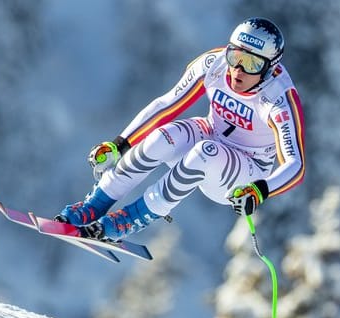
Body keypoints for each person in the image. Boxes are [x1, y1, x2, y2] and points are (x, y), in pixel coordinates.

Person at [55, 17, 305, 242]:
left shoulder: (278, 98)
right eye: (235, 57)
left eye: (251, 64)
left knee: (205, 152)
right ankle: (93, 206)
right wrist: (119, 144)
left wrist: (259, 190)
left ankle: (129, 219)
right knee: (162, 138)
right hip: (211, 133)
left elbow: (295, 165)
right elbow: (167, 104)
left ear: (270, 68)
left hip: (244, 171)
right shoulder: (214, 64)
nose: (238, 70)